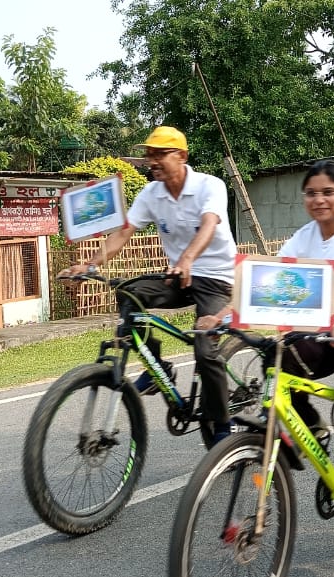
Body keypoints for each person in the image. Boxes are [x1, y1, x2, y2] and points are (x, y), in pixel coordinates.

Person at [200, 160, 334, 555]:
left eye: (329, 191)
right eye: (311, 192)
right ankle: (315, 428)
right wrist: (224, 315)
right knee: (278, 360)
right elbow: (268, 280)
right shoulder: (303, 238)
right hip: (323, 332)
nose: (319, 199)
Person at [59, 126, 239, 442]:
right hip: (178, 277)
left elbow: (209, 225)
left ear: (181, 156)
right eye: (149, 155)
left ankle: (223, 427)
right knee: (131, 293)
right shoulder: (150, 194)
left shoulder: (210, 186)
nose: (151, 161)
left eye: (160, 154)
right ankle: (158, 366)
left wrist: (186, 259)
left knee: (204, 347)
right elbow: (123, 233)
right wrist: (88, 265)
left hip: (215, 278)